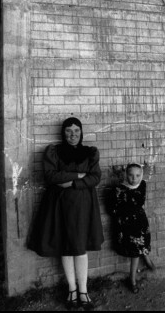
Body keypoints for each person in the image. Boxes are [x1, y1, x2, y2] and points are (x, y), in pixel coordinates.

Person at [28, 117, 104, 311]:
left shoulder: (90, 153)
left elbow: (95, 177)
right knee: (65, 245)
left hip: (83, 205)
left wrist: (71, 182)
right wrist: (79, 175)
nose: (73, 135)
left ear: (81, 132)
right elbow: (50, 176)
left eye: (76, 131)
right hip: (59, 205)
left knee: (79, 247)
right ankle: (72, 289)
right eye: (69, 131)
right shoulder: (53, 152)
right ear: (63, 133)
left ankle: (84, 291)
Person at [111, 163, 156, 293]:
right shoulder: (119, 189)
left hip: (140, 221)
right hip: (127, 223)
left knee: (144, 242)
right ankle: (132, 280)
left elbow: (139, 202)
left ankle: (147, 259)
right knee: (135, 252)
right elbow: (114, 208)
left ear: (141, 175)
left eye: (137, 175)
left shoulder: (142, 185)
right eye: (130, 175)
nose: (134, 178)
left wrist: (128, 205)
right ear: (126, 175)